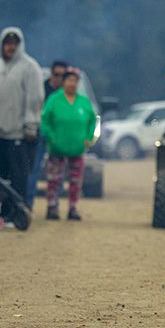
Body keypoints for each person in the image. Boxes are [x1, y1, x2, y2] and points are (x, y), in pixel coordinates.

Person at [0, 27, 43, 226]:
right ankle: (2, 212)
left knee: (18, 175)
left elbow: (34, 99)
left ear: (20, 45)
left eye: (14, 43)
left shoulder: (30, 67)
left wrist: (31, 125)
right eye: (7, 43)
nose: (10, 47)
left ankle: (18, 212)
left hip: (18, 132)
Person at [40, 69, 97, 221]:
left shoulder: (83, 102)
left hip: (77, 149)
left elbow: (93, 121)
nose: (72, 84)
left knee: (75, 181)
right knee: (53, 179)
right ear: (63, 82)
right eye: (69, 80)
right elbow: (45, 120)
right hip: (57, 148)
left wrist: (89, 137)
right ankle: (52, 207)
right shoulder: (54, 99)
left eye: (75, 81)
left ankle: (73, 208)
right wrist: (51, 137)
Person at [26, 60, 69, 208]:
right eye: (56, 75)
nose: (59, 79)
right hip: (40, 134)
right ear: (51, 74)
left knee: (58, 172)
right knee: (33, 169)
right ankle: (27, 203)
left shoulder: (68, 95)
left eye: (63, 76)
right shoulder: (41, 89)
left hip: (58, 137)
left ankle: (53, 204)